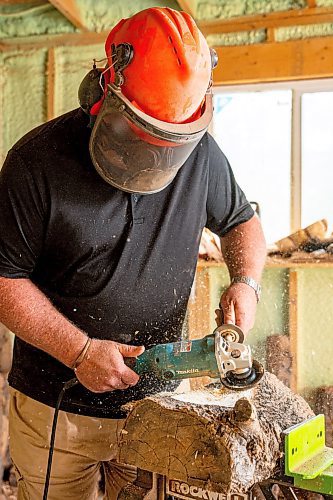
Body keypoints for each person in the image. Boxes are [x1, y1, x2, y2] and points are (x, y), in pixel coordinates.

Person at [0, 6, 266, 499]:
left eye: (170, 142)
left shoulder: (201, 154)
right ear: (106, 87)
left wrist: (245, 282)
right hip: (57, 410)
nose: (157, 158)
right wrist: (78, 351)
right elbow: (4, 278)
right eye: (144, 137)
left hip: (157, 406)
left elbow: (241, 223)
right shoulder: (34, 163)